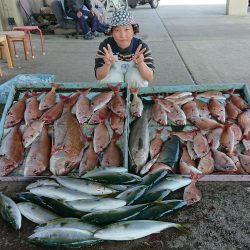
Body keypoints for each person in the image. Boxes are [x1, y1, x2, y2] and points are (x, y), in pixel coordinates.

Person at [95, 10, 154, 87]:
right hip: (113, 93)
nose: (122, 35)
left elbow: (149, 77)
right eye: (117, 30)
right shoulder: (106, 46)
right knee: (112, 77)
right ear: (111, 33)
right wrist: (107, 64)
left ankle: (135, 98)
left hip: (135, 92)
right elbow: (99, 76)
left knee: (135, 77)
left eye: (127, 29)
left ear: (133, 30)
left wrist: (141, 63)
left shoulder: (141, 47)